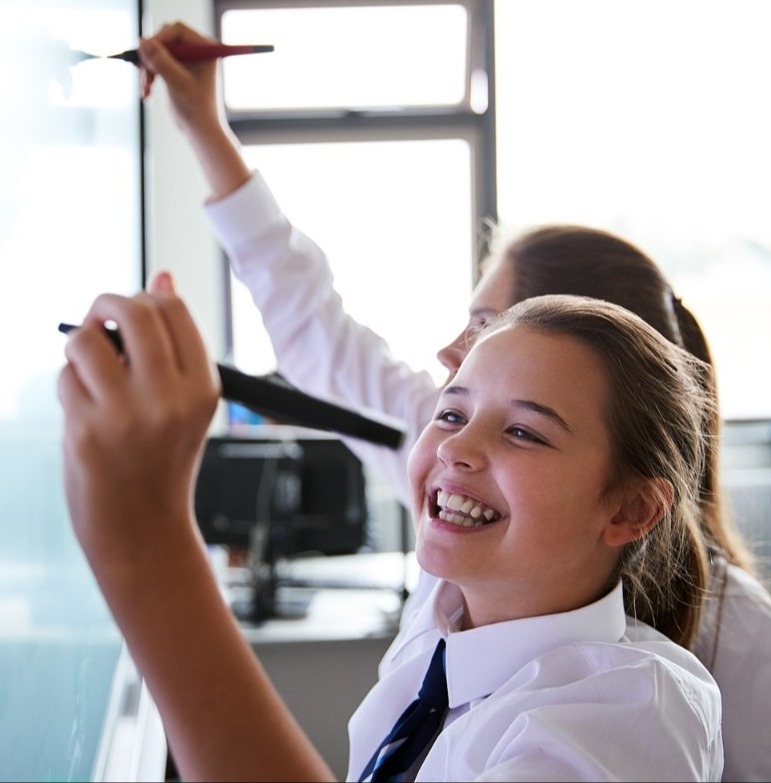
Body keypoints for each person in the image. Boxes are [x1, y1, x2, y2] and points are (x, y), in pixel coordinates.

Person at [137, 23, 771, 781]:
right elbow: (316, 333)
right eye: (452, 406)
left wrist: (141, 538)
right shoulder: (455, 569)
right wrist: (205, 128)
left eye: (484, 328)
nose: (448, 360)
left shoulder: (659, 688)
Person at [58, 280, 723, 780]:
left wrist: (145, 547)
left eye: (523, 431)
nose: (456, 450)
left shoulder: (628, 715)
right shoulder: (442, 614)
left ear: (630, 511)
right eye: (450, 412)